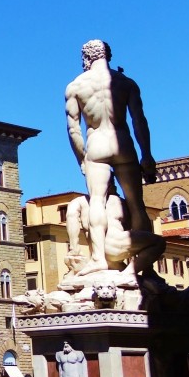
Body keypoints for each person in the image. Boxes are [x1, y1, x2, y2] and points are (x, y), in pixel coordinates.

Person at [65, 40, 158, 276]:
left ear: (86, 58)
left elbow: (73, 130)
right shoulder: (126, 83)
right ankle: (144, 267)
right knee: (136, 204)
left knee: (96, 201)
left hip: (96, 145)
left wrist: (82, 160)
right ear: (109, 55)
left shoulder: (76, 86)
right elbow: (139, 121)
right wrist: (146, 154)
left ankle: (98, 259)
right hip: (123, 143)